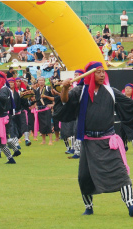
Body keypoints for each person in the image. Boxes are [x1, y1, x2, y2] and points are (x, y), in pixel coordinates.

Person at [54, 61, 133, 217]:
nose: (102, 74)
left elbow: (129, 105)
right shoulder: (80, 91)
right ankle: (88, 207)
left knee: (121, 173)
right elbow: (65, 101)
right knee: (84, 176)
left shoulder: (111, 91)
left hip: (109, 141)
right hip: (88, 142)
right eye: (98, 72)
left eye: (104, 72)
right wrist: (64, 88)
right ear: (90, 75)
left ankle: (131, 206)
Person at [34, 76, 54, 145]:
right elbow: (36, 99)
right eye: (39, 80)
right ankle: (43, 140)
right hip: (40, 109)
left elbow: (54, 98)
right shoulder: (37, 90)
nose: (41, 82)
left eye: (42, 80)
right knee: (41, 125)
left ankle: (50, 140)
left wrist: (52, 105)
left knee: (47, 124)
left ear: (44, 81)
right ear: (38, 82)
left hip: (46, 108)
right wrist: (36, 105)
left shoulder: (48, 89)